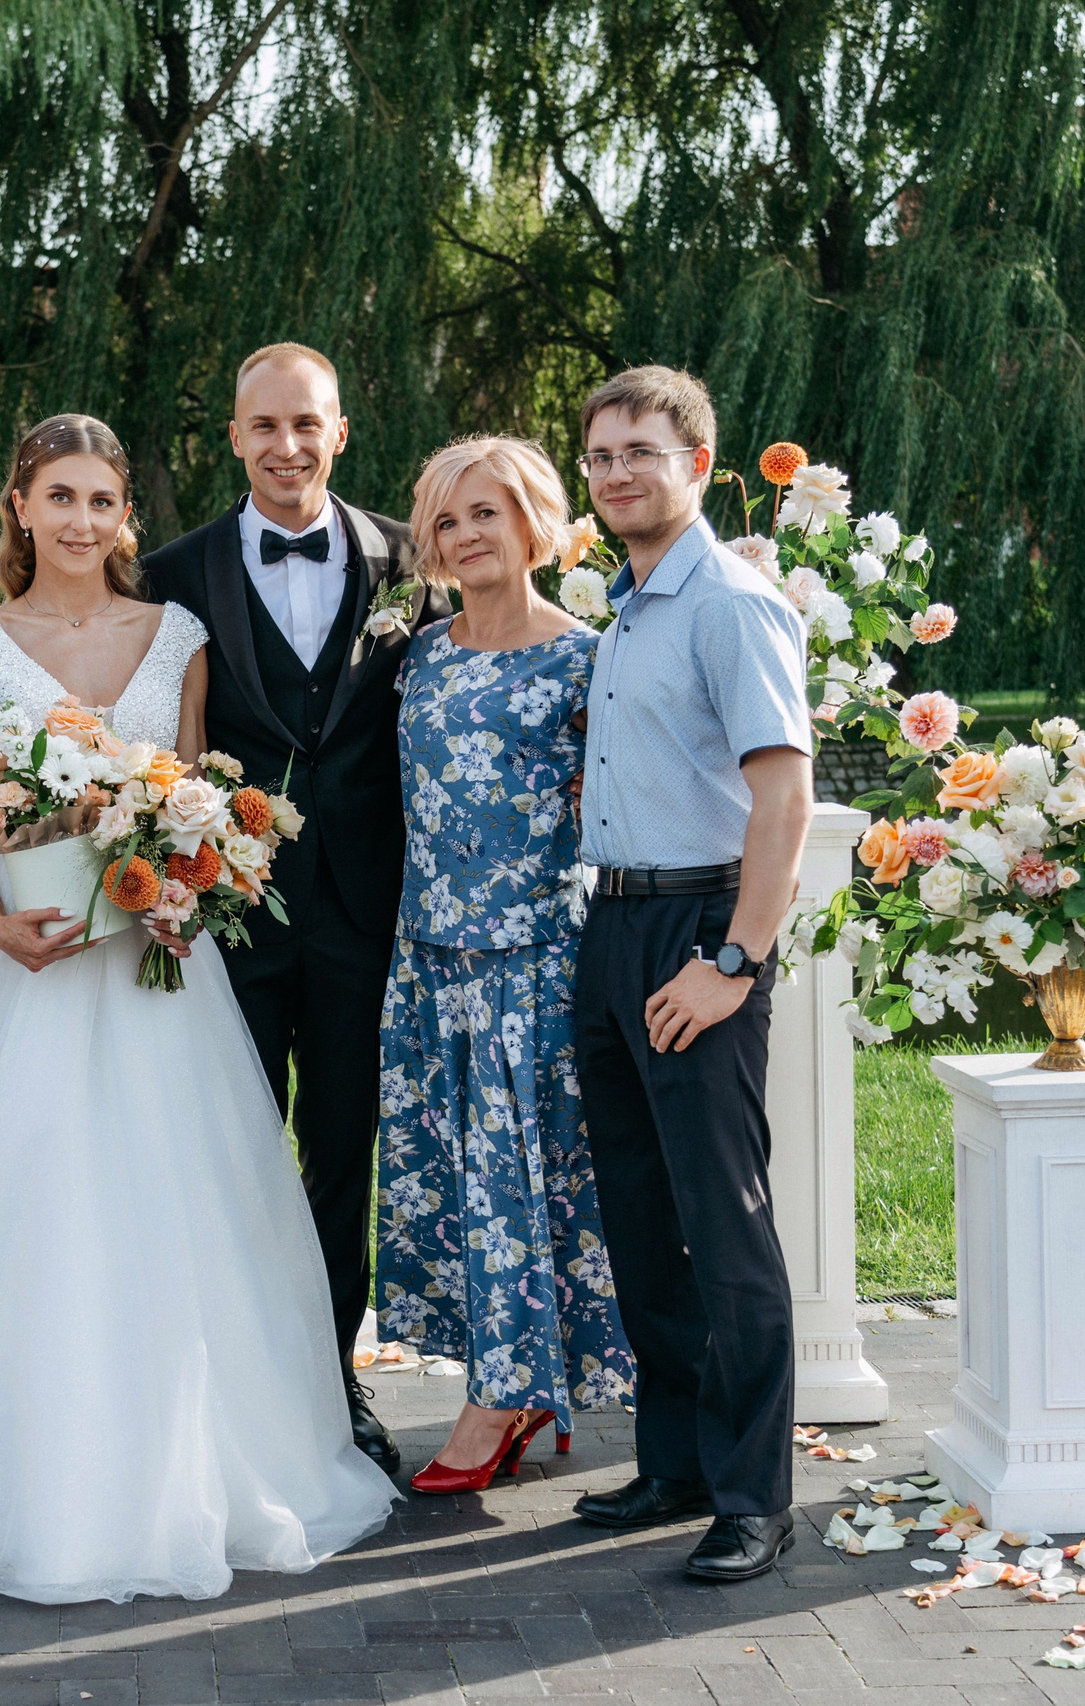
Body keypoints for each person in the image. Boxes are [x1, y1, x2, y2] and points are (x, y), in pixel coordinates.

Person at [0, 414, 397, 1605]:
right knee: (20, 1202)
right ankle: (10, 1465)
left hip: (148, 965)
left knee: (167, 1202)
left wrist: (177, 886)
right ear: (20, 508)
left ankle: (192, 1454)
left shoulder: (175, 633)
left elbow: (190, 788)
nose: (81, 520)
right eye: (59, 497)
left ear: (122, 514)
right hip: (13, 967)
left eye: (101, 499)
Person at [140, 343, 452, 1478]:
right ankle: (221, 1379)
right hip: (228, 914)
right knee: (222, 1147)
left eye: (305, 425)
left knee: (340, 1149)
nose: (286, 446)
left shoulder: (414, 561)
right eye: (263, 426)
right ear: (234, 437)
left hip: (366, 914)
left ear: (340, 430)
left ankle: (328, 1383)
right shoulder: (170, 573)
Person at [568, 366, 814, 1582]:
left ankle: (754, 1496)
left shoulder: (728, 602)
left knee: (723, 1228)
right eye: (601, 454)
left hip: (695, 934)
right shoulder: (629, 610)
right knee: (639, 1216)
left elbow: (784, 794)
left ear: (698, 466)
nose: (616, 472)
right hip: (609, 929)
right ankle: (671, 1462)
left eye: (641, 453)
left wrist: (734, 961)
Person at [373, 436, 637, 1494]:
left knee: (521, 1184)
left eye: (487, 511)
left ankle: (505, 1398)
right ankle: (511, 1377)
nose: (467, 534)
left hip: (530, 961)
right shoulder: (419, 654)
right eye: (446, 520)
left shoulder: (584, 658)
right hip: (428, 956)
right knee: (452, 1182)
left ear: (534, 518)